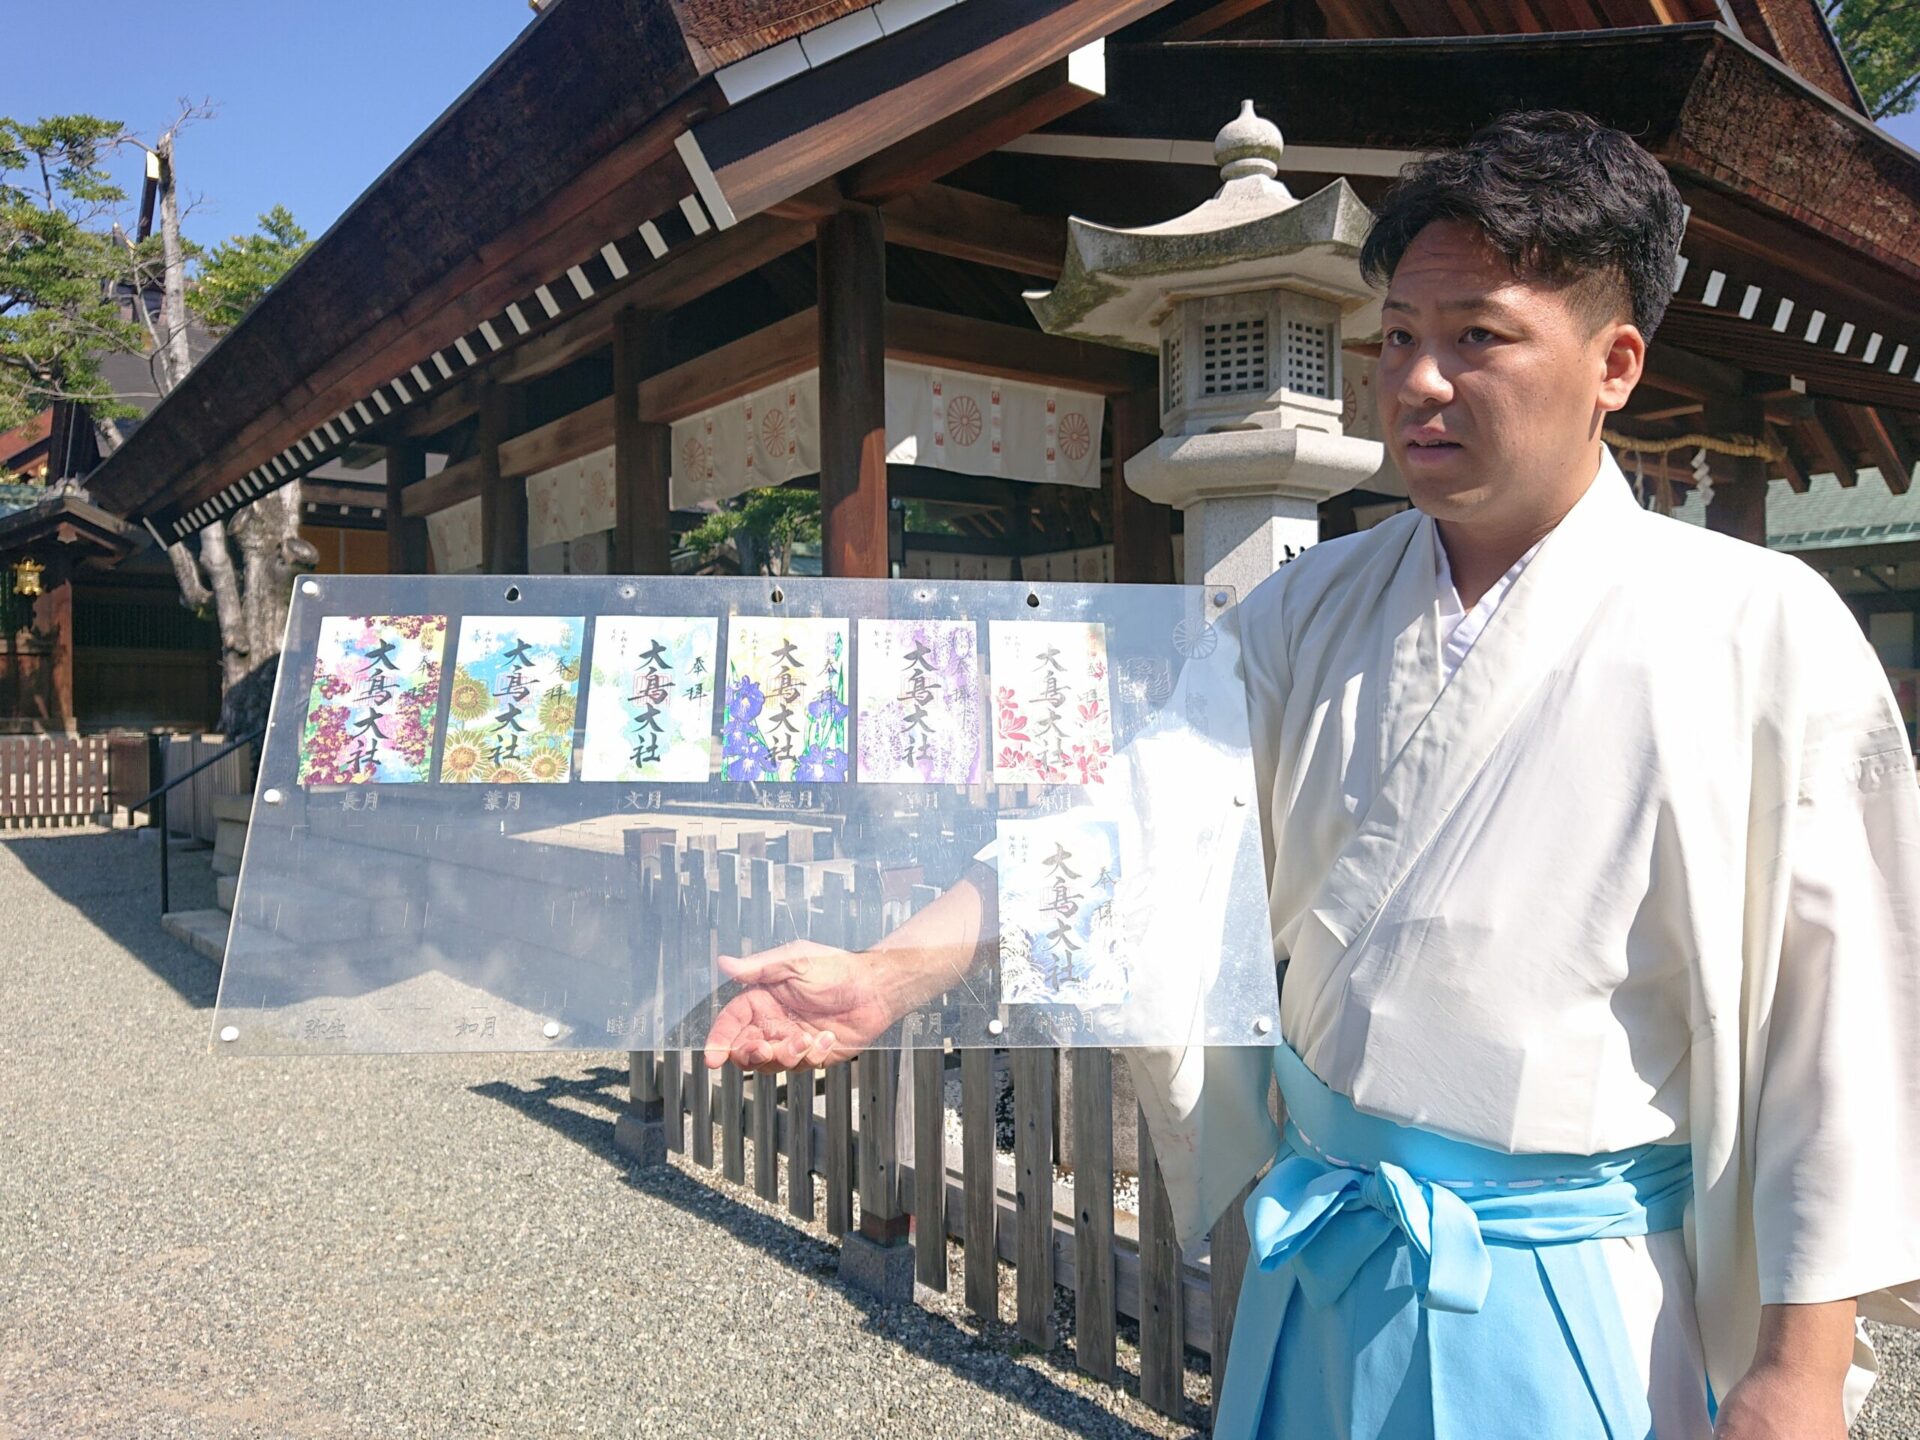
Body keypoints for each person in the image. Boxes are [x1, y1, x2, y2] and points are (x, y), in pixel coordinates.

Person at [702, 111, 1920, 1439]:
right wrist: (886, 975)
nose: (1419, 380)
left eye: (1480, 336)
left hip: (1570, 1290)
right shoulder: (1308, 610)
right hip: (1321, 1247)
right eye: (1398, 336)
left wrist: (1796, 1375)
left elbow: (1841, 1022)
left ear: (1615, 362)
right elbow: (1134, 822)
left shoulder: (1758, 626)